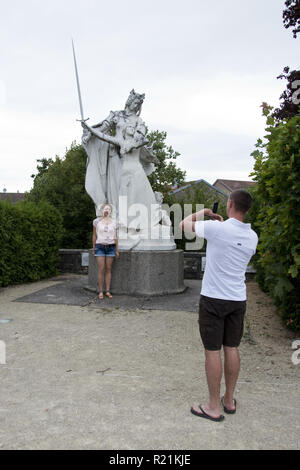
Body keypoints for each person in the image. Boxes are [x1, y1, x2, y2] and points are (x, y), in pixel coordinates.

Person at [180, 189, 258, 422]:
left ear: (230, 204)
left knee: (212, 351)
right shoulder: (252, 236)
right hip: (237, 299)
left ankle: (213, 406)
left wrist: (203, 212)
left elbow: (184, 224)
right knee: (232, 348)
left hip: (213, 299)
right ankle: (228, 400)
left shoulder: (217, 229)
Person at [93, 203, 119, 299]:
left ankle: (107, 291)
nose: (106, 210)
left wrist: (116, 250)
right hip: (99, 247)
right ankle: (100, 291)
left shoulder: (114, 222)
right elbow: (94, 235)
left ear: (111, 211)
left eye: (108, 209)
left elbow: (115, 237)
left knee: (108, 269)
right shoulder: (96, 222)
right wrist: (94, 248)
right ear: (102, 210)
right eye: (105, 208)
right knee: (101, 269)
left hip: (111, 247)